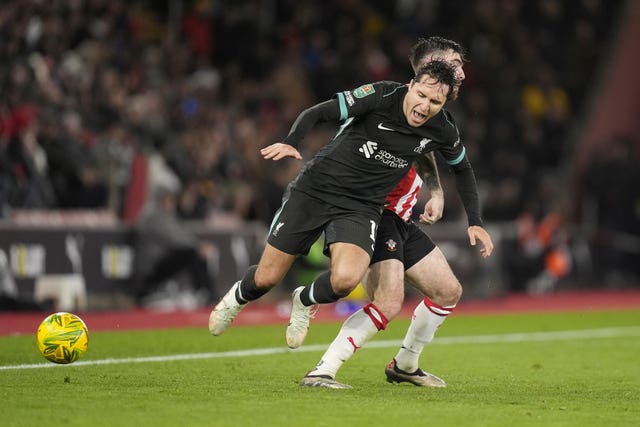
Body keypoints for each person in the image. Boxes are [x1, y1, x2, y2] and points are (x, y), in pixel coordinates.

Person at [209, 60, 471, 354]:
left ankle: (304, 300)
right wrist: (292, 141)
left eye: (435, 101)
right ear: (411, 85)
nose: (425, 105)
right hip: (316, 190)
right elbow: (320, 111)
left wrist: (471, 219)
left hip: (361, 206)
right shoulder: (381, 95)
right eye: (421, 95)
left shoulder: (441, 128)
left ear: (444, 102)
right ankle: (237, 297)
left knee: (346, 280)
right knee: (267, 278)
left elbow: (456, 166)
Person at [299, 37, 494, 389]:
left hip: (402, 217)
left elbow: (422, 146)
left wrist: (436, 191)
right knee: (387, 301)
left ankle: (405, 365)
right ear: (429, 67)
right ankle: (322, 369)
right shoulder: (388, 99)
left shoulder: (431, 113)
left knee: (448, 291)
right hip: (373, 211)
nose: (462, 71)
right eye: (455, 63)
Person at [133, 186, 219, 307]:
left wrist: (199, 245)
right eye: (169, 199)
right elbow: (173, 238)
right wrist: (198, 246)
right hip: (151, 267)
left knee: (193, 252)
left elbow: (181, 233)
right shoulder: (154, 217)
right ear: (162, 200)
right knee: (191, 253)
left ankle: (207, 293)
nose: (171, 203)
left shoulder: (167, 216)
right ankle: (206, 293)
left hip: (160, 262)